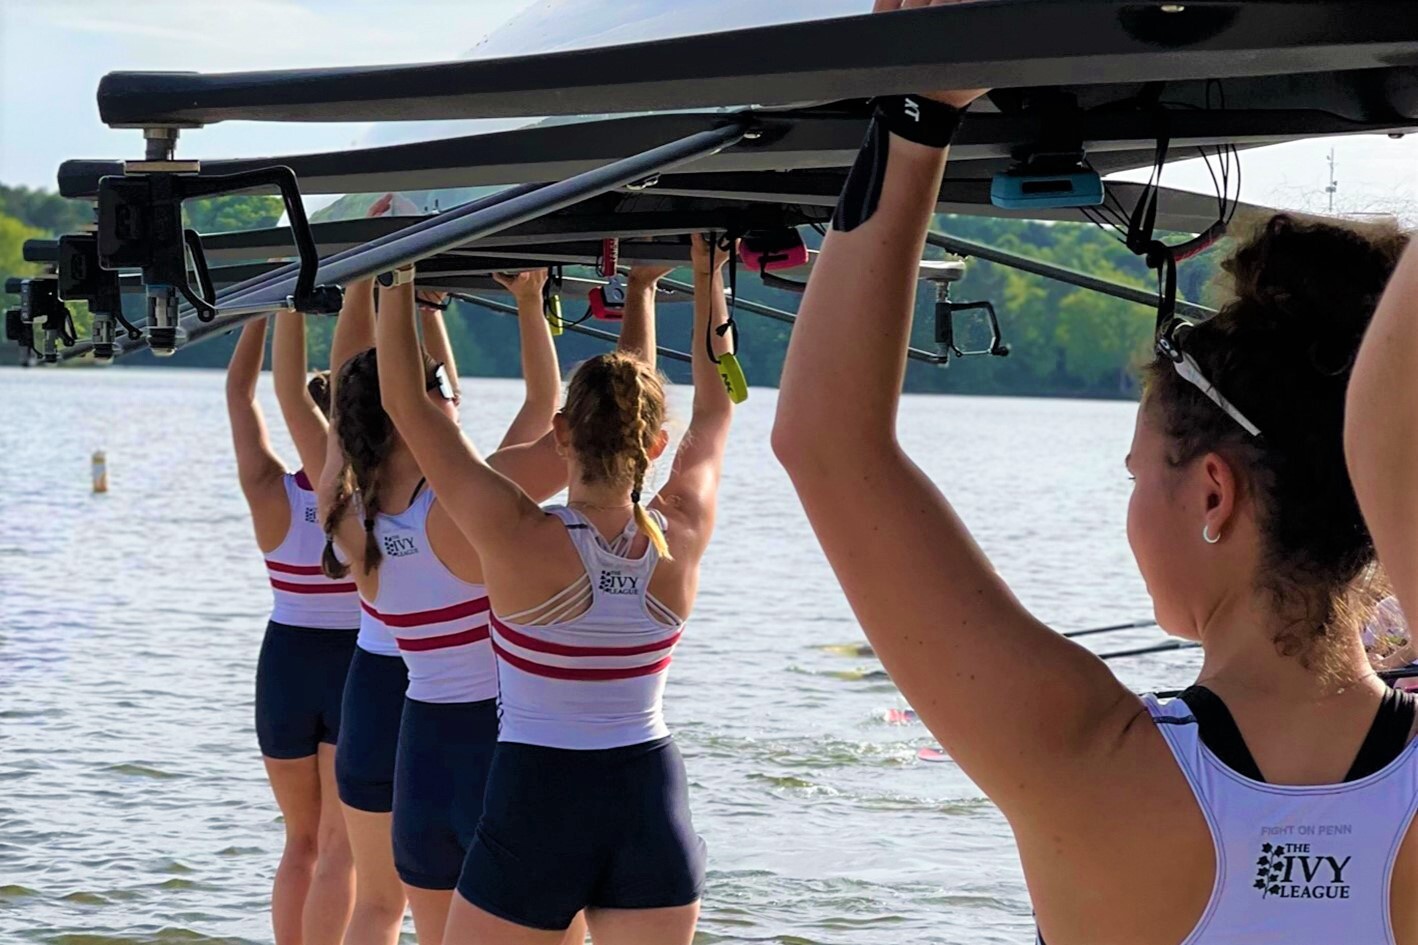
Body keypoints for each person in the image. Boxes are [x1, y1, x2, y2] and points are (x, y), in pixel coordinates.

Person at [772, 3, 1417, 943]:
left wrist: (923, 103)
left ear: (1211, 492)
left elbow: (828, 443)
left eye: (1134, 474)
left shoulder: (1084, 761)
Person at [376, 241, 726, 945]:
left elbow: (404, 405)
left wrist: (397, 272)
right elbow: (715, 412)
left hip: (538, 799)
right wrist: (702, 273)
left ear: (560, 433)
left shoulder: (513, 531)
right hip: (650, 804)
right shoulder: (681, 529)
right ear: (656, 445)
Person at [320, 262, 566, 945]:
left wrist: (368, 290)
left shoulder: (344, 514)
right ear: (421, 406)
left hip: (418, 747)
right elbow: (567, 432)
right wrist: (532, 305)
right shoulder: (468, 509)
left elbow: (346, 412)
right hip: (494, 742)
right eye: (441, 390)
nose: (450, 398)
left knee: (403, 919)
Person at [226, 311, 357, 945]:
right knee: (340, 845)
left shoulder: (265, 488)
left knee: (300, 841)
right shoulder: (371, 500)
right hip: (355, 664)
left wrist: (266, 313)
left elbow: (239, 394)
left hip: (285, 664)